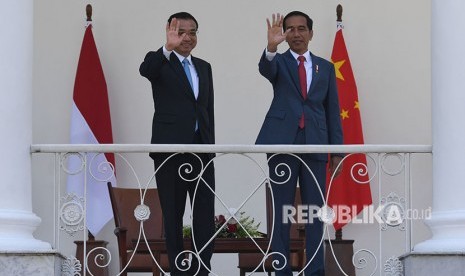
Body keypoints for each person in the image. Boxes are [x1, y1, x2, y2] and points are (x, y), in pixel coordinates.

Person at [255, 11, 343, 276]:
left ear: (311, 33)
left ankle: (315, 270)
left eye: (301, 29)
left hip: (315, 143)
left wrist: (336, 151)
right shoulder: (278, 62)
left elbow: (332, 110)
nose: (296, 34)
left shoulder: (325, 67)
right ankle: (281, 269)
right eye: (290, 29)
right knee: (281, 210)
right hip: (282, 142)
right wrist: (271, 46)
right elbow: (265, 69)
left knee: (315, 213)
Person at [139, 12, 215, 276]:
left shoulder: (204, 67)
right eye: (181, 32)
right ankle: (179, 271)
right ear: (169, 32)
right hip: (169, 151)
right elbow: (145, 71)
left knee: (204, 215)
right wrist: (166, 48)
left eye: (192, 32)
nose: (187, 37)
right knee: (173, 214)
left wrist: (211, 148)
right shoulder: (159, 61)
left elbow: (207, 111)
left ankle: (201, 269)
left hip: (201, 150)